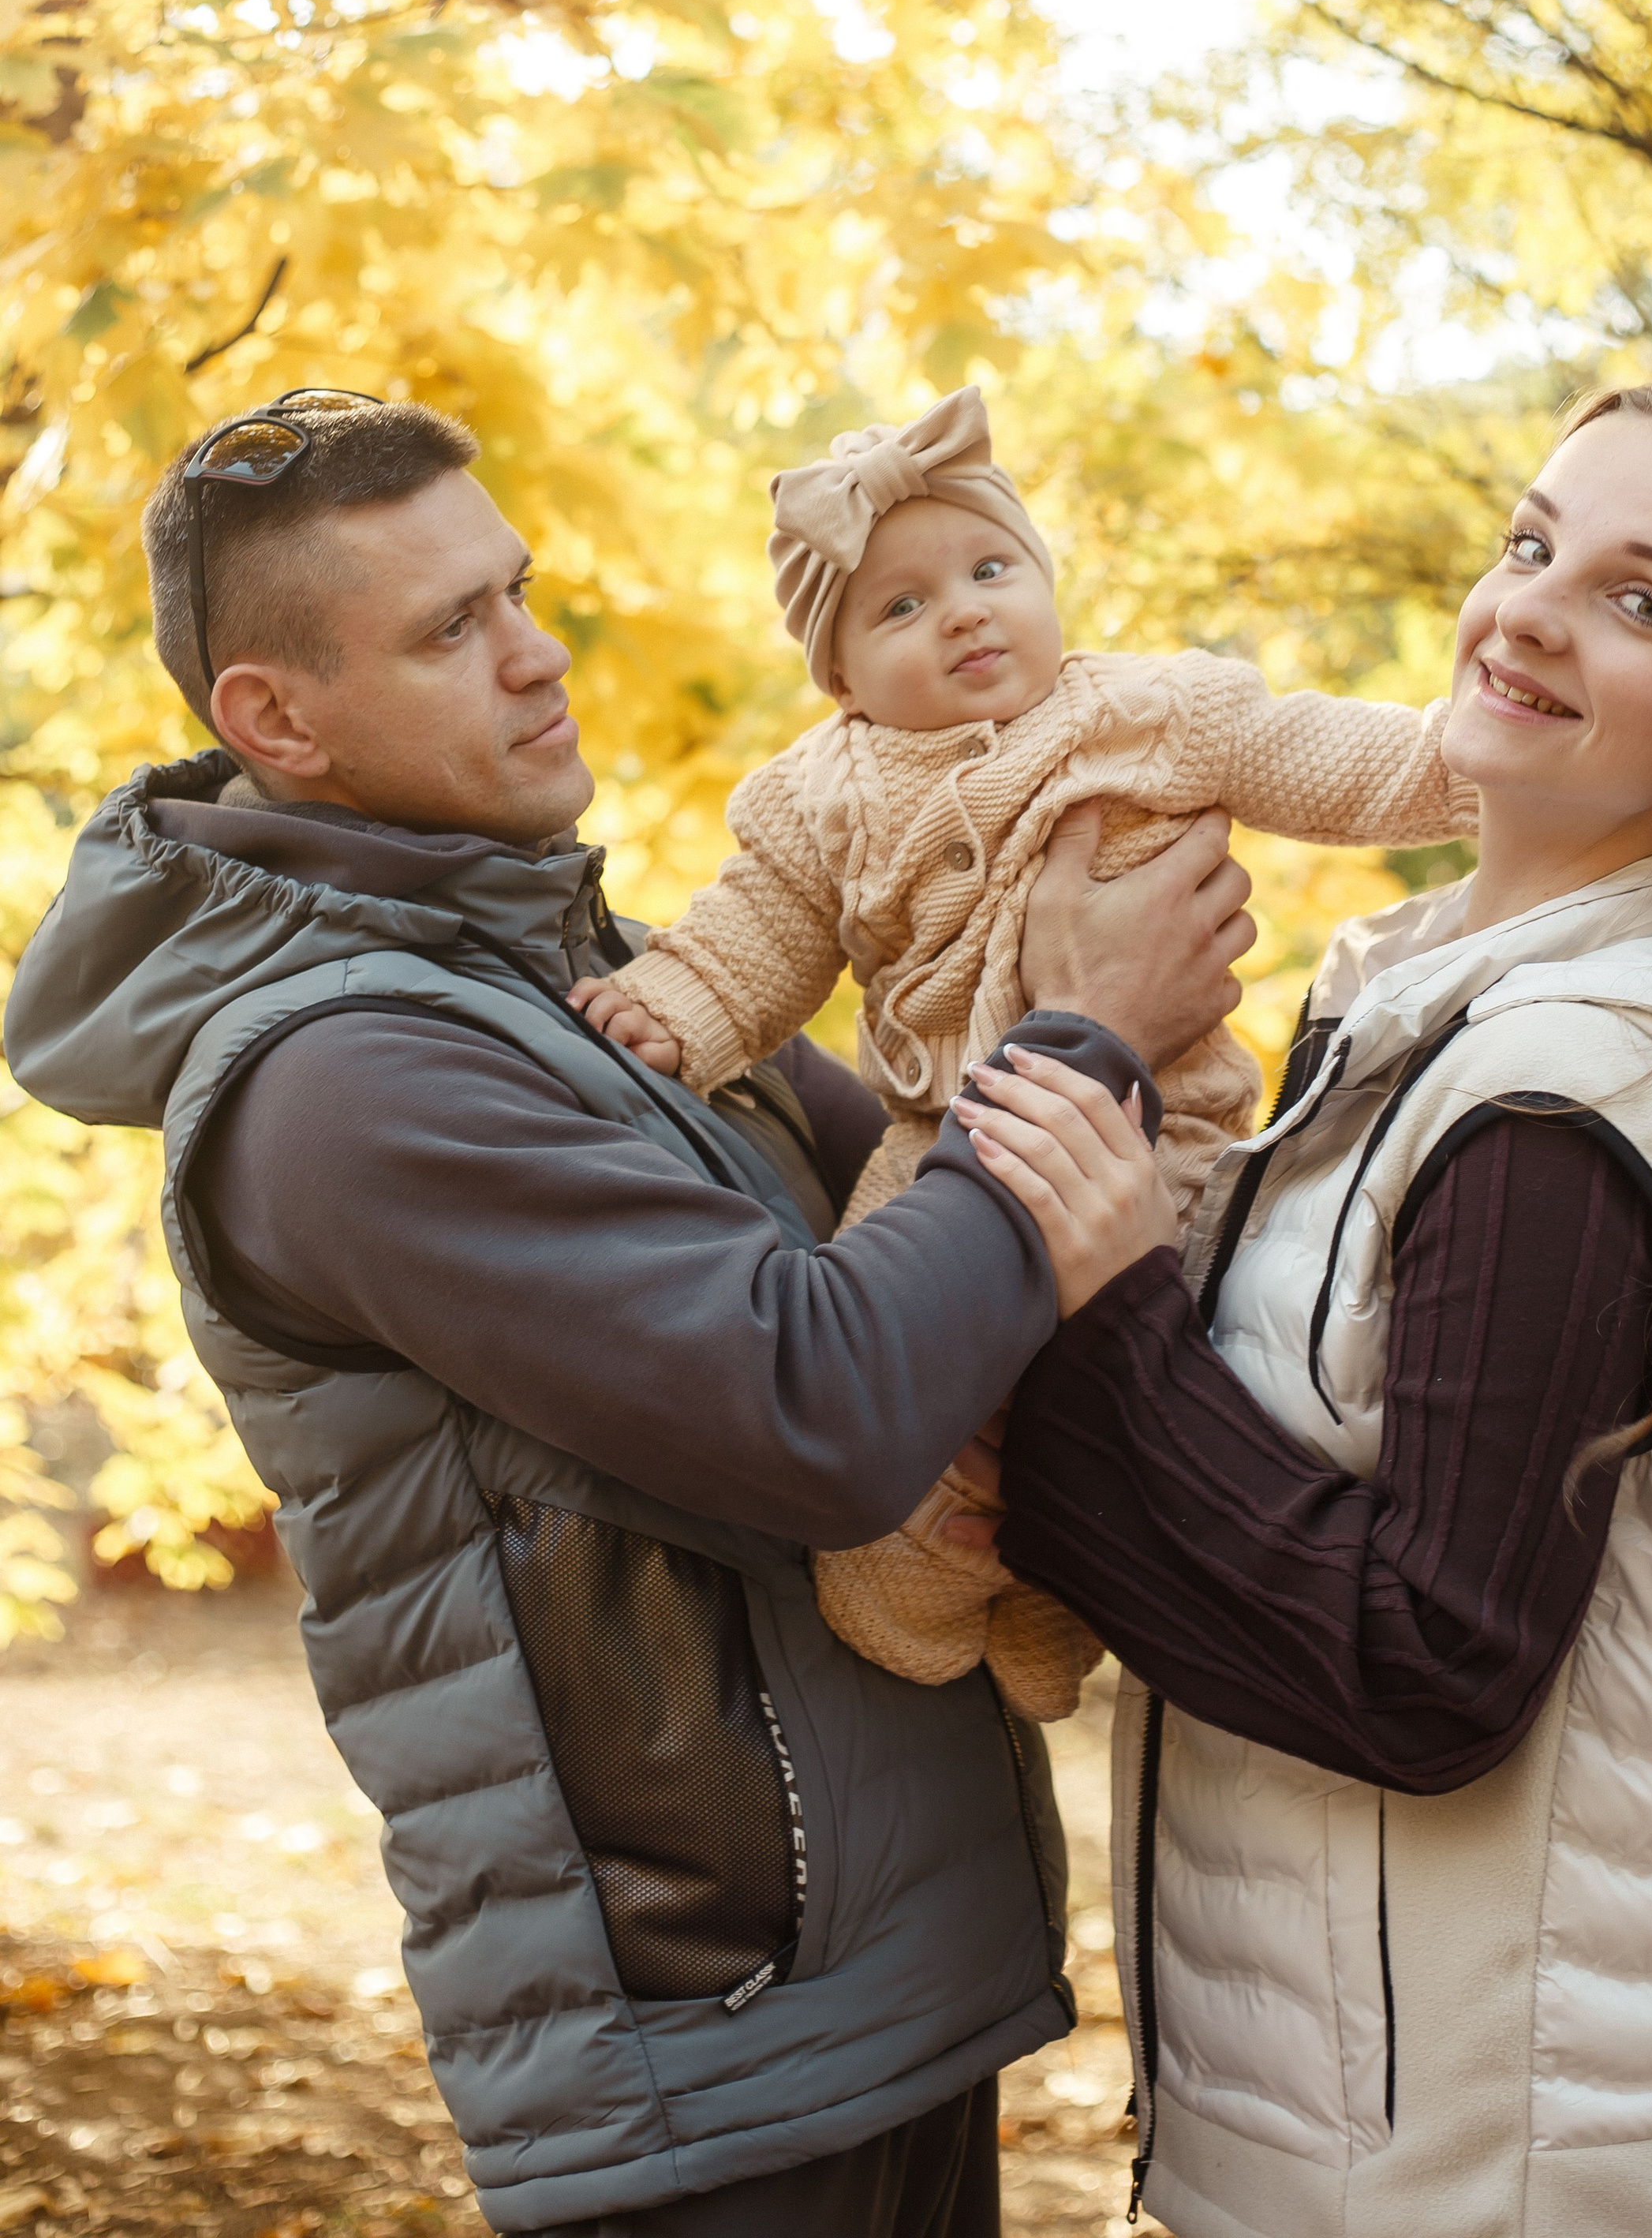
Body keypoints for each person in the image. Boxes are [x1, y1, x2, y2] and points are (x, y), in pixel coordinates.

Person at [1, 389, 1256, 2238]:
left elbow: (933, 1226)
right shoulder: (348, 1082)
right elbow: (824, 1405)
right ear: (278, 722)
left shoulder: (587, 983)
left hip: (883, 1995)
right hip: (707, 2061)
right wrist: (1081, 1032)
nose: (537, 656)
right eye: (451, 630)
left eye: (516, 592)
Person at [955, 381, 1652, 2238]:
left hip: (1481, 2176)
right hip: (1417, 2129)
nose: (1528, 610)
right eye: (1530, 545)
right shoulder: (1451, 1024)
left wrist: (1104, 1303)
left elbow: (1422, 1665)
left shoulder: (1555, 1106)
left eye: (1638, 601)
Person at [567, 382, 1473, 1723]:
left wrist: (1476, 765)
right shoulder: (823, 793)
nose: (964, 613)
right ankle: (929, 1588)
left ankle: (1063, 1593)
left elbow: (1331, 756)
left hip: (1157, 1138)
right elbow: (758, 928)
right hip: (946, 1146)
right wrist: (687, 1002)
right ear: (841, 678)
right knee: (899, 1403)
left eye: (991, 571)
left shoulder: (1152, 713)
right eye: (902, 607)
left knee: (1146, 1384)